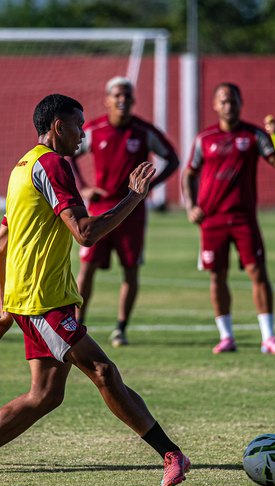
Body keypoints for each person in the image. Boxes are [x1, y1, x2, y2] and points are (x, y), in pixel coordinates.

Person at [0, 94, 189, 486]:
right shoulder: (53, 164)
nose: (83, 133)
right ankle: (171, 453)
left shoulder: (23, 166)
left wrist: (7, 309)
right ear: (58, 126)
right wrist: (134, 198)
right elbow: (85, 232)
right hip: (44, 301)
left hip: (34, 300)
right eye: (78, 125)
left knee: (45, 395)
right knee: (103, 371)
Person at [182, 82, 275, 356]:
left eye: (233, 101)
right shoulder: (204, 139)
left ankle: (268, 337)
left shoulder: (254, 135)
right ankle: (226, 336)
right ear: (215, 105)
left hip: (244, 218)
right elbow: (189, 173)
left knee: (258, 273)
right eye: (223, 101)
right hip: (212, 220)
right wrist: (190, 205)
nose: (228, 106)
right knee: (217, 276)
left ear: (241, 103)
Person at [69, 76, 179, 347]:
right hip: (99, 210)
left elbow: (172, 158)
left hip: (131, 210)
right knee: (88, 267)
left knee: (130, 269)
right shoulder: (95, 130)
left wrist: (148, 186)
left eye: (127, 96)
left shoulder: (143, 131)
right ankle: (76, 325)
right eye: (117, 95)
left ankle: (120, 328)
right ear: (107, 100)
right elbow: (68, 153)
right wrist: (83, 188)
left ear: (133, 100)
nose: (122, 100)